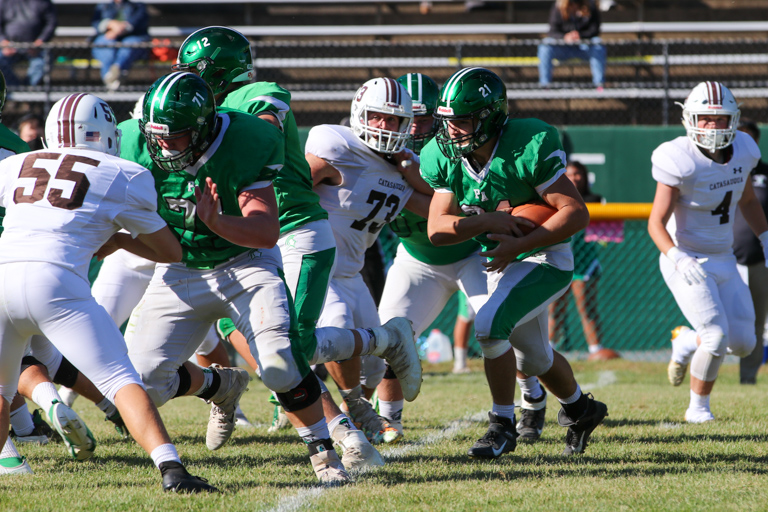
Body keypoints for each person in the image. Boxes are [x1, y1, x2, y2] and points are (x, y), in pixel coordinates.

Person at [120, 72, 419, 484]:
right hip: (180, 268)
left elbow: (264, 231)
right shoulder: (130, 142)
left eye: (178, 136)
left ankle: (325, 457)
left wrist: (216, 221)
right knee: (142, 385)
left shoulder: (246, 138)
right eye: (158, 136)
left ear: (203, 128)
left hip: (244, 263)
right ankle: (219, 385)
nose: (166, 146)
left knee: (281, 360)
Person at [0, 92, 215, 492]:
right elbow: (170, 252)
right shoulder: (123, 173)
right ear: (104, 133)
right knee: (120, 379)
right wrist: (118, 239)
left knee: (1, 390)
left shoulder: (15, 165)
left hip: (2, 278)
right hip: (57, 284)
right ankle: (172, 469)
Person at [421, 67, 608, 458]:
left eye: (463, 121)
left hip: (544, 255)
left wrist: (520, 242)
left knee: (489, 327)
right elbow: (437, 230)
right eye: (448, 121)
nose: (452, 130)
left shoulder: (527, 144)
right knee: (535, 357)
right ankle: (581, 410)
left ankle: (501, 425)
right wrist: (489, 222)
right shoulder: (443, 156)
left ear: (490, 117)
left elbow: (575, 213)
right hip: (503, 259)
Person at [306, 76, 429, 445]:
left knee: (373, 370)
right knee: (338, 331)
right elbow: (291, 190)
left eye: (393, 120)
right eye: (378, 116)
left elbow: (436, 207)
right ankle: (355, 409)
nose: (384, 126)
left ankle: (355, 409)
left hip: (351, 272)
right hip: (316, 265)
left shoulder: (401, 166)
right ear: (360, 114)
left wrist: (411, 173)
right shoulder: (336, 145)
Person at [649, 81, 768, 423]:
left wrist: (766, 237)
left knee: (744, 343)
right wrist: (677, 257)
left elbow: (747, 200)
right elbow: (655, 223)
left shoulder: (744, 149)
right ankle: (698, 409)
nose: (712, 126)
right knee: (715, 336)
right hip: (685, 257)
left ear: (734, 119)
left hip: (724, 257)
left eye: (719, 119)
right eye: (705, 118)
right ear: (690, 119)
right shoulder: (678, 158)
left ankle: (687, 342)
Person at [378, 73, 488, 424]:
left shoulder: (458, 148)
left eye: (425, 120)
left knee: (501, 329)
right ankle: (388, 422)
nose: (415, 128)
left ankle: (530, 402)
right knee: (388, 339)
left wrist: (406, 184)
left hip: (473, 253)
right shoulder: (375, 153)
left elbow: (451, 211)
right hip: (417, 259)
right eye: (408, 119)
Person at [548, 160, 619, 360]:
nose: (574, 178)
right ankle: (548, 349)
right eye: (569, 174)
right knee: (554, 309)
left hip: (583, 263)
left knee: (586, 307)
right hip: (558, 260)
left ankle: (595, 349)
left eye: (578, 173)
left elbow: (606, 233)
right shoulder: (555, 199)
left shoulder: (595, 200)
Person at [732, 119, 768, 385]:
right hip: (723, 257)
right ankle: (703, 370)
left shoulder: (764, 174)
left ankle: (748, 379)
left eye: (750, 138)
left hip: (759, 260)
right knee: (718, 321)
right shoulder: (718, 170)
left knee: (756, 320)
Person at [537, 0, 606, 90]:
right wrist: (565, 37)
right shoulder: (559, 5)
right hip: (563, 48)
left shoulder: (590, 4)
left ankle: (599, 85)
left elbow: (595, 29)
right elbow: (552, 31)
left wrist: (580, 36)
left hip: (584, 47)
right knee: (545, 45)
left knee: (597, 43)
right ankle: (545, 86)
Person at [91, 0, 149, 90]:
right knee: (106, 44)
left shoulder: (137, 5)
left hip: (131, 37)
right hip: (108, 36)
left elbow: (136, 22)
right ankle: (112, 78)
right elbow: (96, 23)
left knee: (129, 44)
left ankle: (116, 70)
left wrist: (117, 30)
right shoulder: (103, 5)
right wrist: (109, 23)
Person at [0, 0, 56, 87]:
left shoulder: (43, 2)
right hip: (10, 47)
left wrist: (40, 42)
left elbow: (51, 23)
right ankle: (15, 88)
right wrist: (3, 41)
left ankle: (28, 89)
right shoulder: (4, 2)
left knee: (43, 61)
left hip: (35, 48)